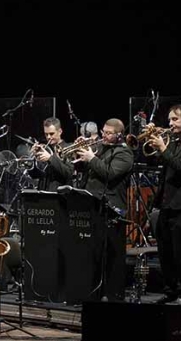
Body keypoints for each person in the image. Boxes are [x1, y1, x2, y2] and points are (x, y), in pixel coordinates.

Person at [76, 118, 134, 301]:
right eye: (103, 131)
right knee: (94, 253)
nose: (104, 135)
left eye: (109, 133)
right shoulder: (101, 148)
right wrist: (79, 153)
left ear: (119, 135)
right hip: (93, 205)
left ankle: (113, 295)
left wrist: (91, 158)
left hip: (112, 209)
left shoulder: (125, 153)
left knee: (113, 255)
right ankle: (95, 293)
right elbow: (84, 168)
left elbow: (110, 173)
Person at [148, 104, 181, 304]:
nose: (170, 124)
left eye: (175, 119)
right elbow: (164, 164)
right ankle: (171, 291)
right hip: (167, 203)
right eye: (169, 120)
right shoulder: (174, 141)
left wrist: (163, 148)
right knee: (164, 251)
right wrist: (156, 148)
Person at [32, 117, 74, 191]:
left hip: (60, 195)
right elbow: (35, 175)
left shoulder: (69, 147)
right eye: (46, 134)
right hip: (43, 193)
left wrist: (50, 158)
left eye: (51, 134)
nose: (48, 137)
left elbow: (69, 173)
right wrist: (33, 161)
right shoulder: (45, 149)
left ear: (60, 131)